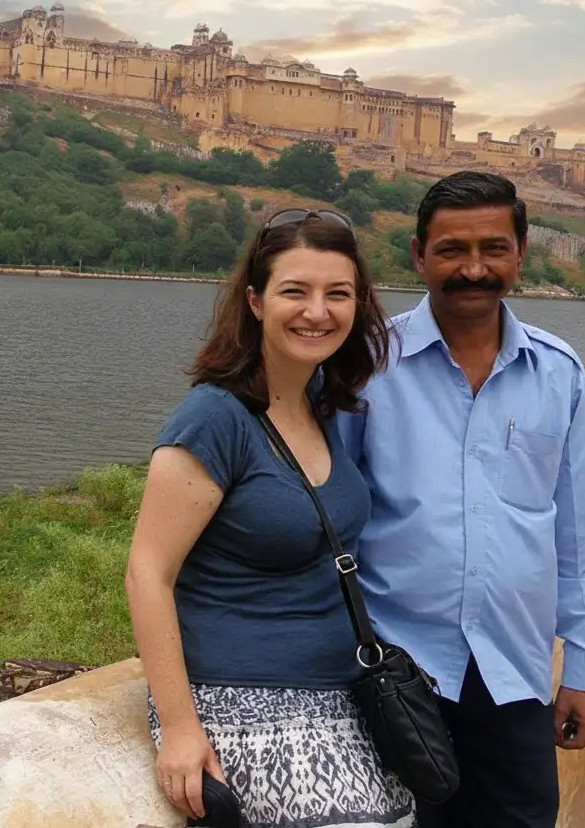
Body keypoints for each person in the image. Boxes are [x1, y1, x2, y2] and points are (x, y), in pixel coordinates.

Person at [337, 171, 585, 828]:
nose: (472, 268)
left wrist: (583, 666)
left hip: (511, 674)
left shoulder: (557, 373)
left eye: (492, 248)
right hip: (394, 674)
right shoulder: (365, 365)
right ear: (417, 255)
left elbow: (575, 539)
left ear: (519, 254)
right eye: (451, 250)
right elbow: (335, 523)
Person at [125, 208, 415, 828]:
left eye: (338, 293)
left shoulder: (322, 406)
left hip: (342, 693)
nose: (318, 311)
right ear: (255, 302)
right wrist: (179, 728)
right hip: (239, 698)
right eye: (295, 291)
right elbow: (148, 572)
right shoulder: (214, 418)